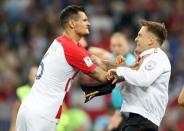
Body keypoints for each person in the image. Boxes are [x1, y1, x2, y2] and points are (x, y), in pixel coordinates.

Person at [16, 5, 116, 131]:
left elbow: (99, 61)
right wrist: (128, 73)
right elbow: (102, 77)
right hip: (43, 115)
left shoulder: (60, 42)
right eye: (84, 20)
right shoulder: (72, 50)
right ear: (72, 24)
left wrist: (120, 64)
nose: (89, 23)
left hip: (27, 108)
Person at [107, 20, 171, 131]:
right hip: (137, 118)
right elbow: (129, 92)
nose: (136, 39)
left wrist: (121, 71)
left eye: (140, 35)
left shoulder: (157, 57)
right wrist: (122, 75)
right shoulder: (144, 60)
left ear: (151, 41)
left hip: (144, 120)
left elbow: (144, 79)